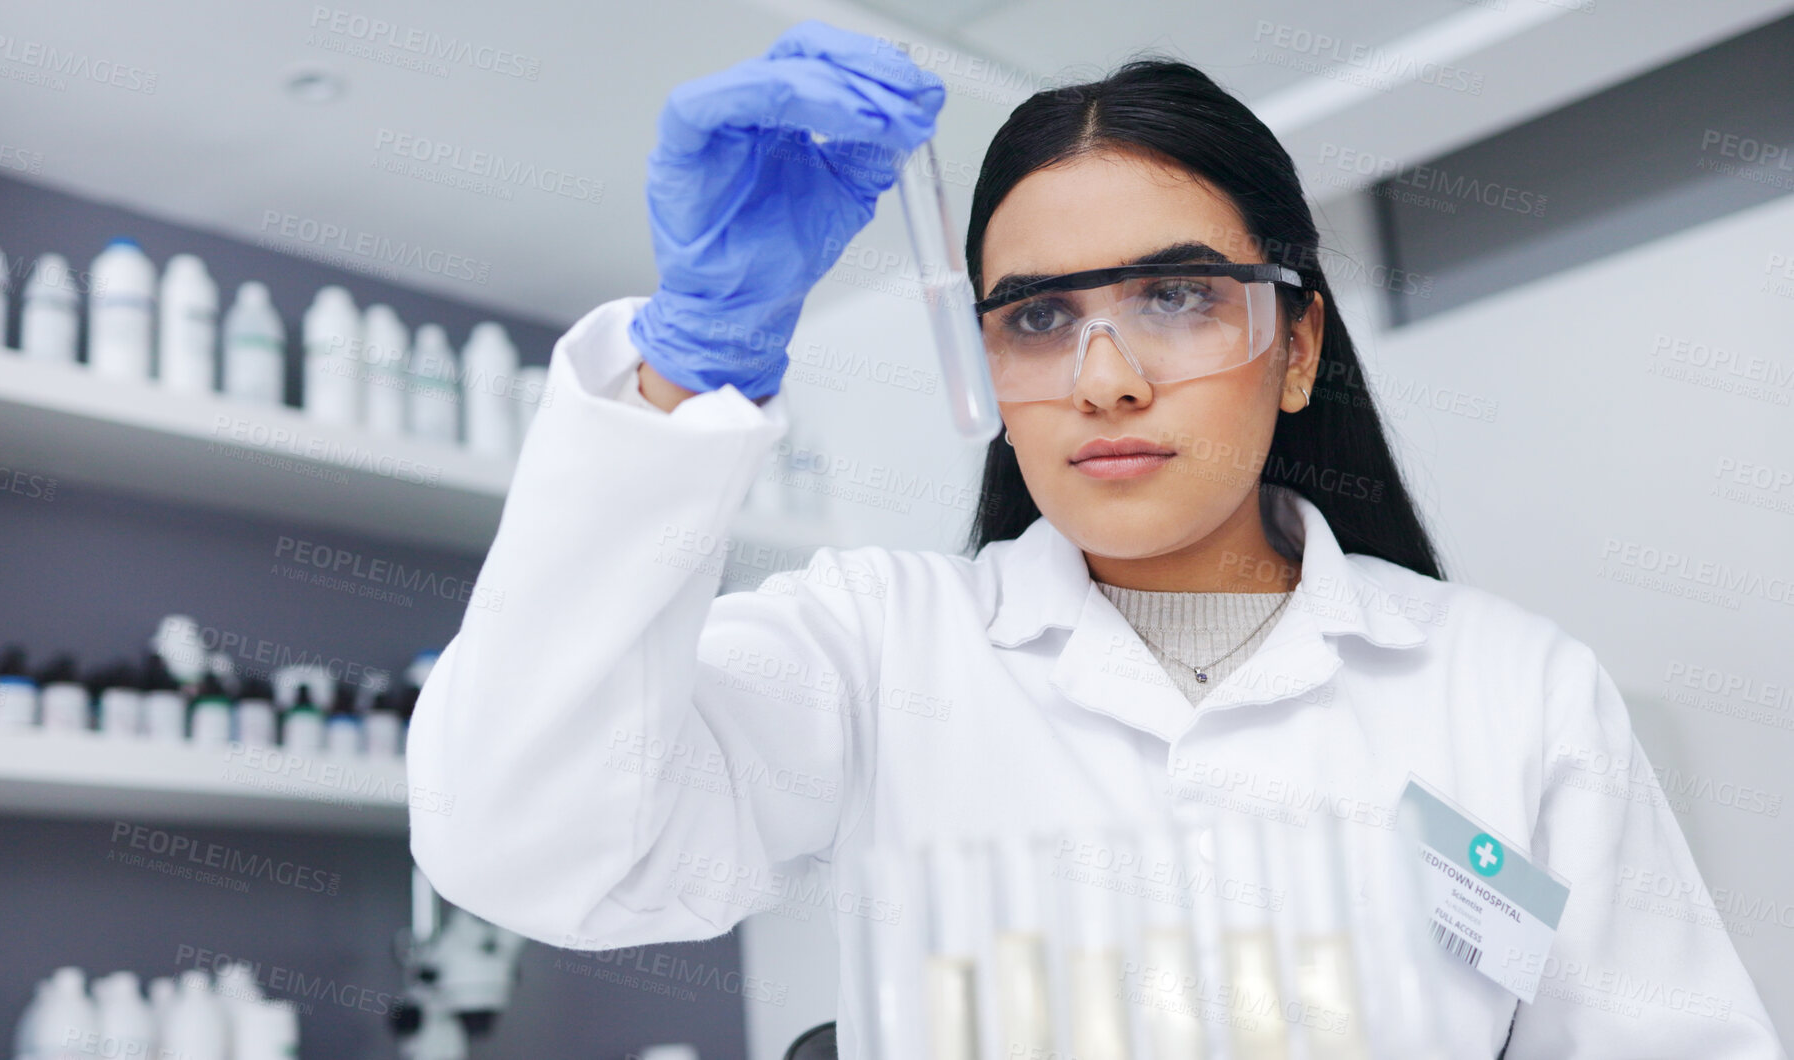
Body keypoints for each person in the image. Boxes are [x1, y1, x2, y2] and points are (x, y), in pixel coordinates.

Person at [406, 20, 1785, 1059]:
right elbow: (535, 846)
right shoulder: (877, 646)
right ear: (983, 363)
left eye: (1180, 296)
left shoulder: (1507, 688)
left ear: (1294, 343)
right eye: (1039, 317)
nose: (1107, 378)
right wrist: (684, 373)